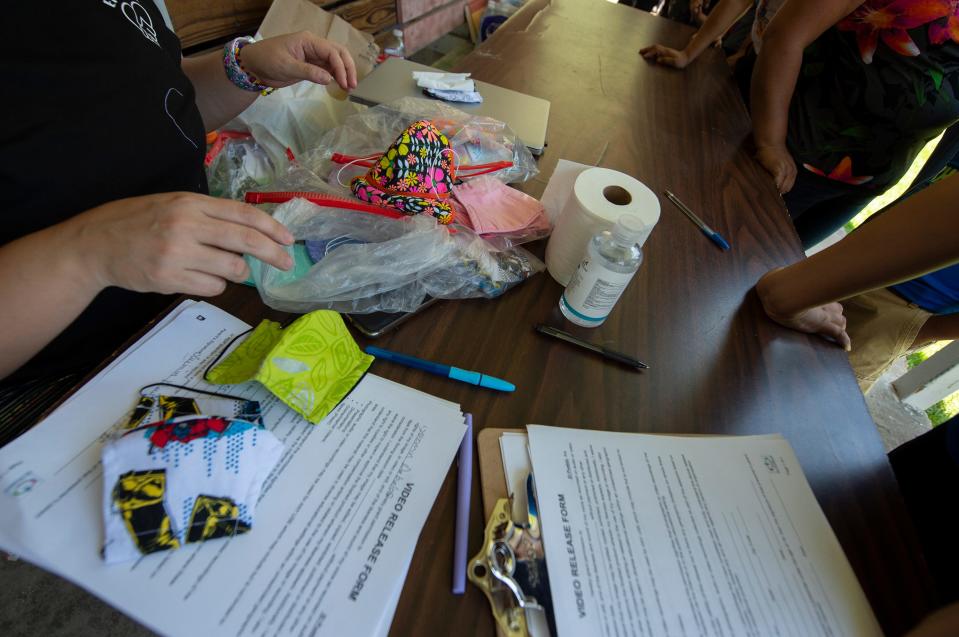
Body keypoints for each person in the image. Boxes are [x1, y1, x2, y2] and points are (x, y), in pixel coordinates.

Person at [0, 2, 357, 442]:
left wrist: (243, 71)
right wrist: (91, 250)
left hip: (182, 317)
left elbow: (158, 107)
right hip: (53, 389)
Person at [752, 0, 959, 248]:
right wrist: (771, 142)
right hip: (788, 152)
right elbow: (786, 35)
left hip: (861, 188)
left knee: (769, 266)